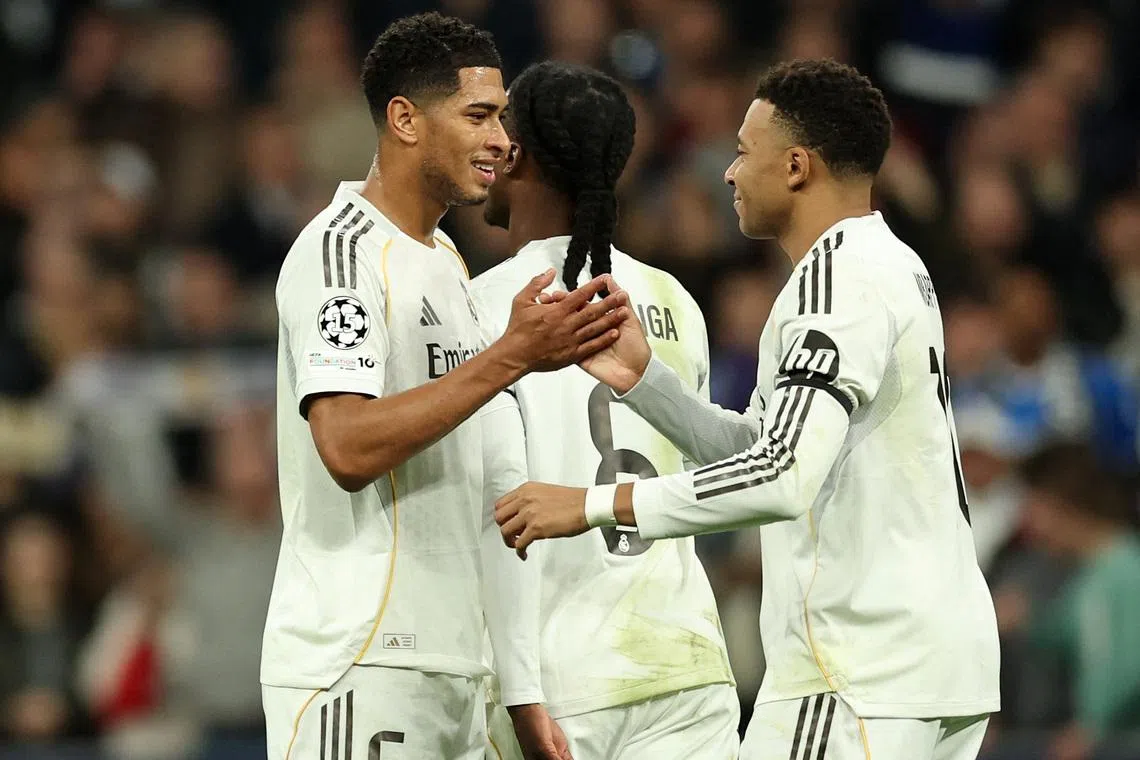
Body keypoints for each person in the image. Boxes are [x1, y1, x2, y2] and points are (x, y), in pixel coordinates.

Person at [495, 59, 1001, 759]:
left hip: (856, 671)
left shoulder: (835, 280)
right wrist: (648, 384)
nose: (729, 174)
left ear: (795, 167)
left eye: (741, 152)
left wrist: (591, 505)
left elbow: (781, 475)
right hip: (932, 668)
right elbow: (769, 450)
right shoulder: (892, 263)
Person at [260, 14, 628, 760]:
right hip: (359, 661)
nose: (502, 141)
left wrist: (516, 690)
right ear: (404, 119)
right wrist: (511, 356)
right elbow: (346, 446)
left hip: (454, 668)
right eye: (478, 116)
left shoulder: (447, 262)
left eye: (503, 119)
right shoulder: (340, 254)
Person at [470, 61, 738, 759]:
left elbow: (488, 507)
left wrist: (515, 691)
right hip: (688, 670)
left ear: (517, 155)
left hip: (558, 682)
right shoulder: (674, 299)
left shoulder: (482, 307)